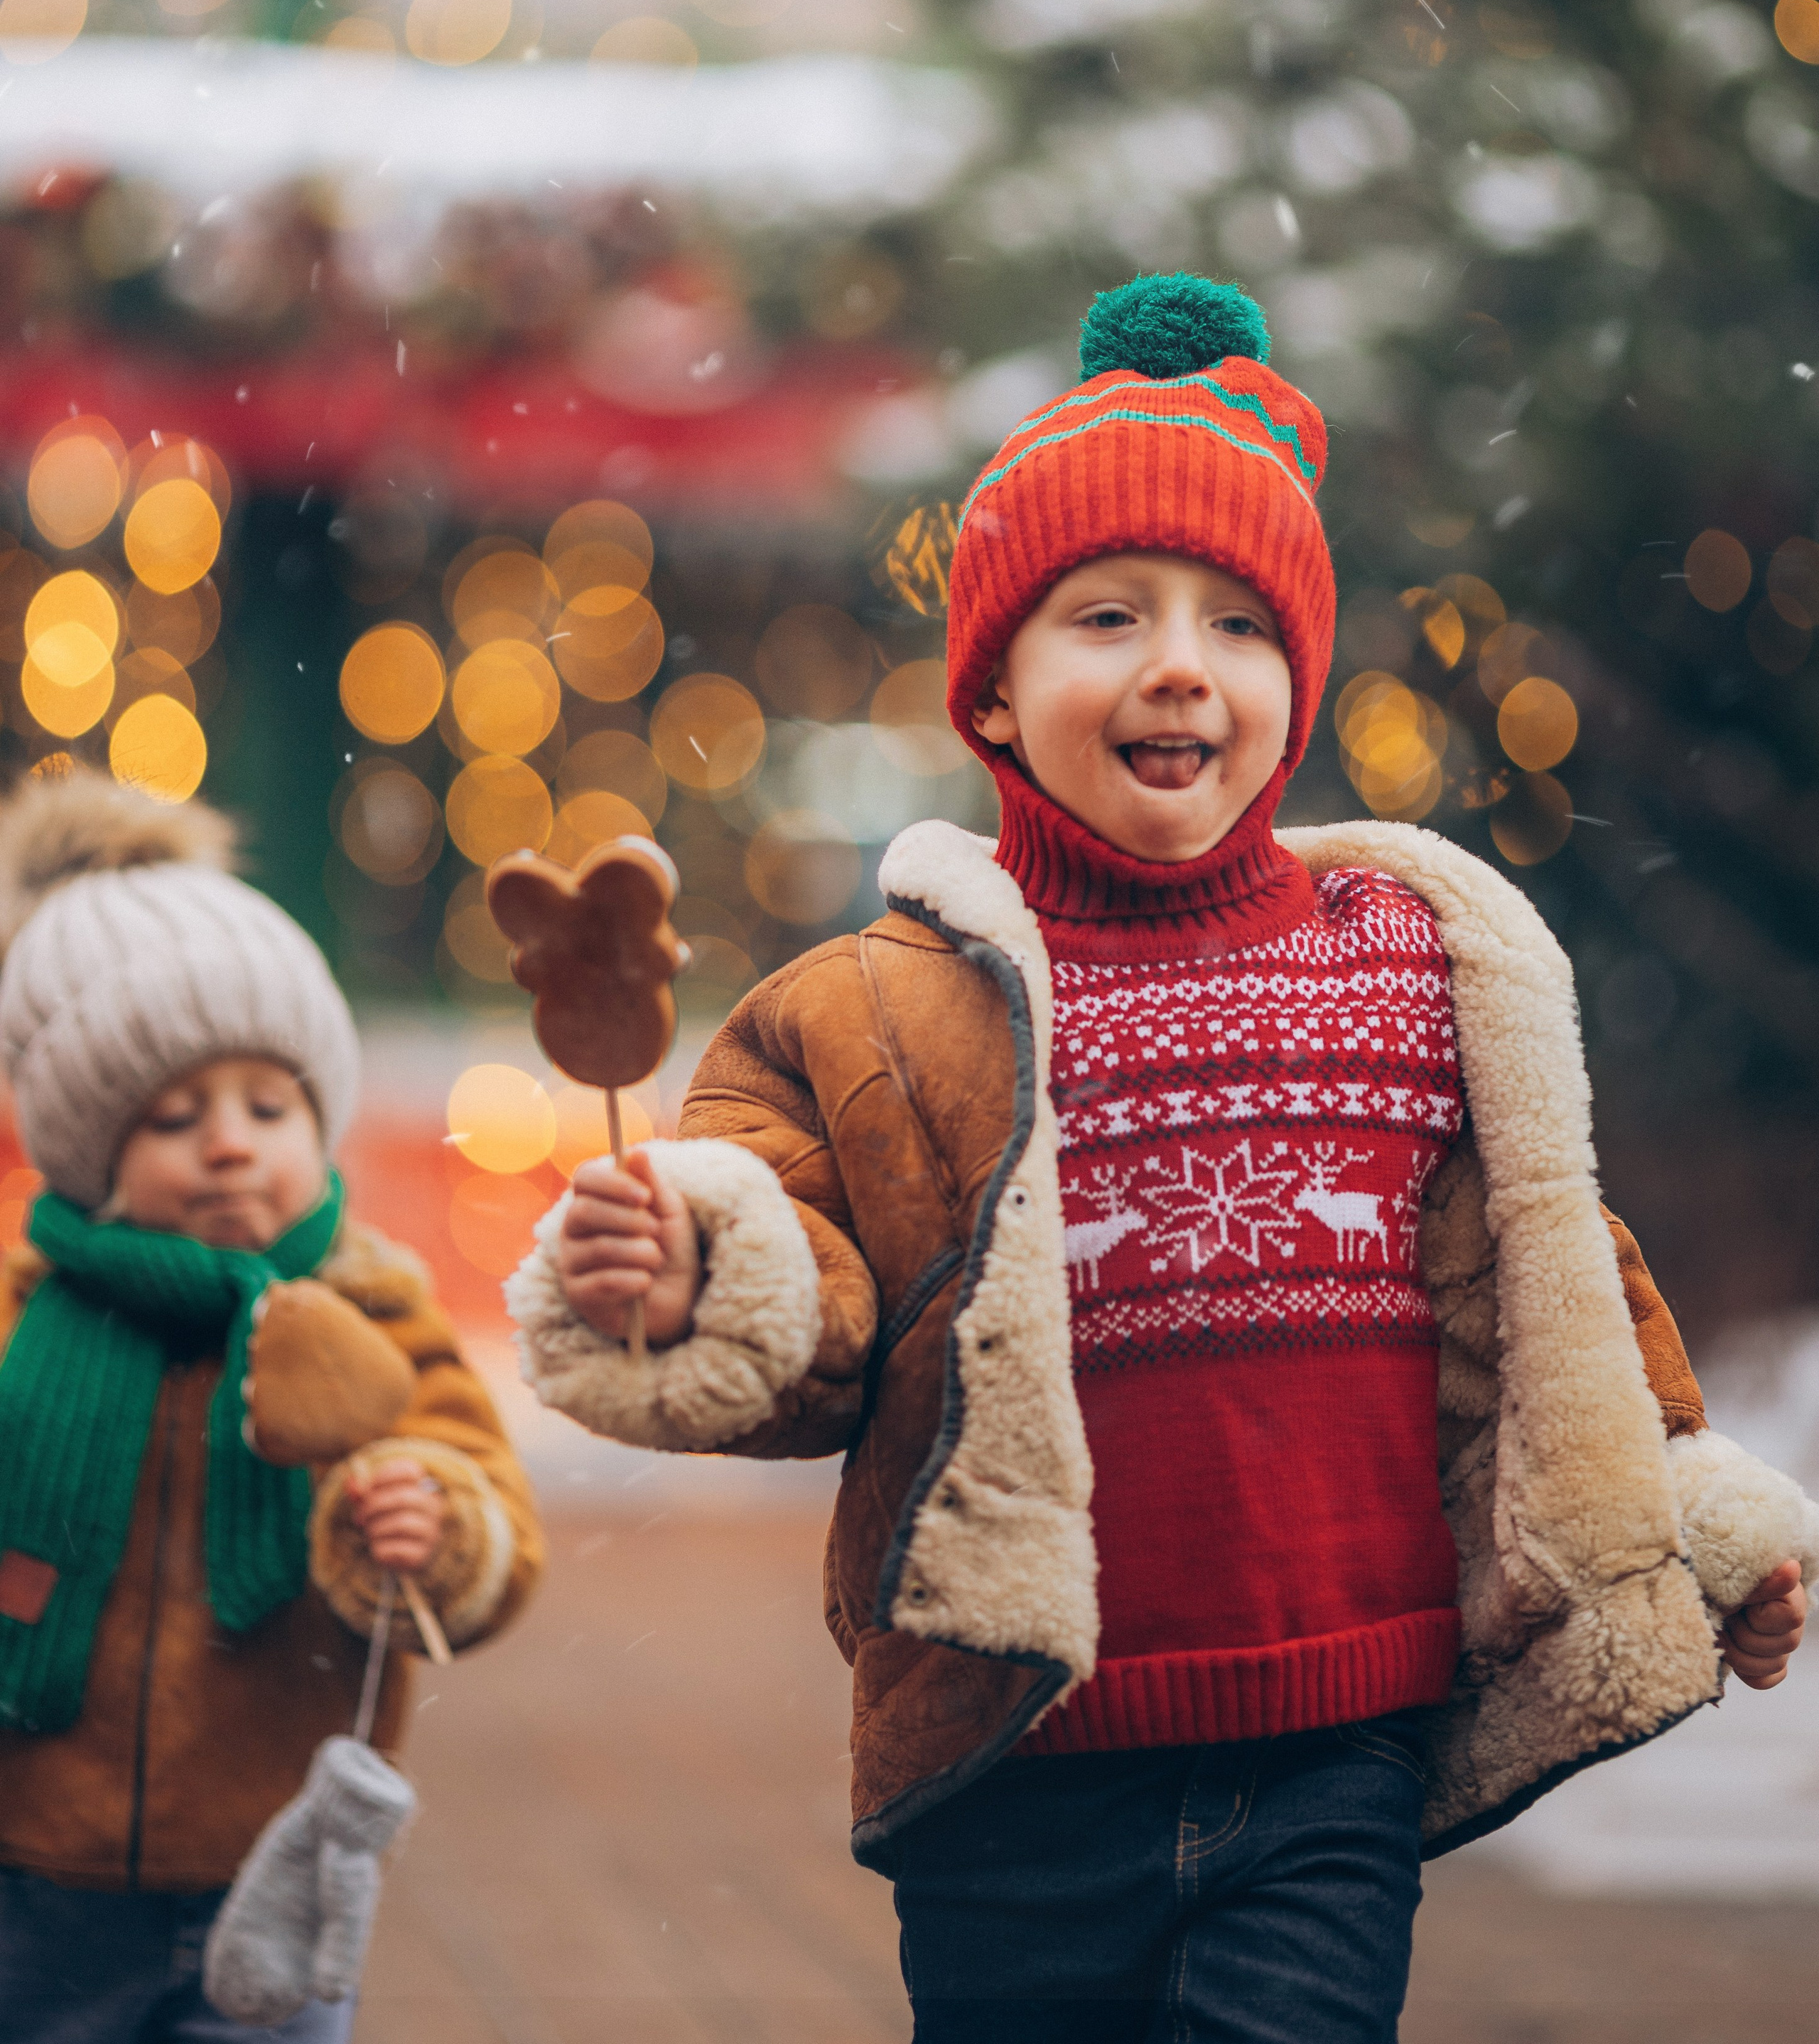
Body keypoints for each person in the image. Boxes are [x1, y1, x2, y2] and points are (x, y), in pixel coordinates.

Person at [509, 274, 1815, 2042]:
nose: (1178, 665)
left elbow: (1546, 1277)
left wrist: (1687, 1509)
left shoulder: (1401, 963)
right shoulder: (882, 1010)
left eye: (1238, 624)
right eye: (1105, 615)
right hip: (1010, 1757)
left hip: (1331, 1750)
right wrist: (695, 1273)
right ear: (990, 689)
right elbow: (809, 1279)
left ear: (1296, 675)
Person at [0, 770, 543, 2043]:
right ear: (84, 1149)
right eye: (174, 1116)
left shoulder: (370, 1305)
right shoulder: (26, 1314)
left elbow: (483, 1495)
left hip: (278, 1847)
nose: (232, 1144)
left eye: (268, 1104)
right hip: (33, 1864)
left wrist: (440, 1526)